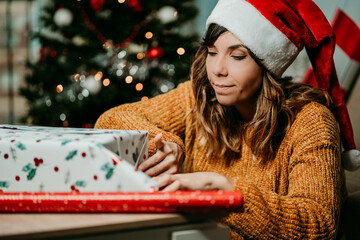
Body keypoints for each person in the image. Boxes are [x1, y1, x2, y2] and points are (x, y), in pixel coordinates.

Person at [95, 0, 359, 238]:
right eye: (212, 52)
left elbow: (319, 226)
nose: (218, 69)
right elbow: (110, 119)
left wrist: (224, 189)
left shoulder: (311, 121)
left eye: (237, 56)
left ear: (267, 65)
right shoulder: (200, 97)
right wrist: (167, 144)